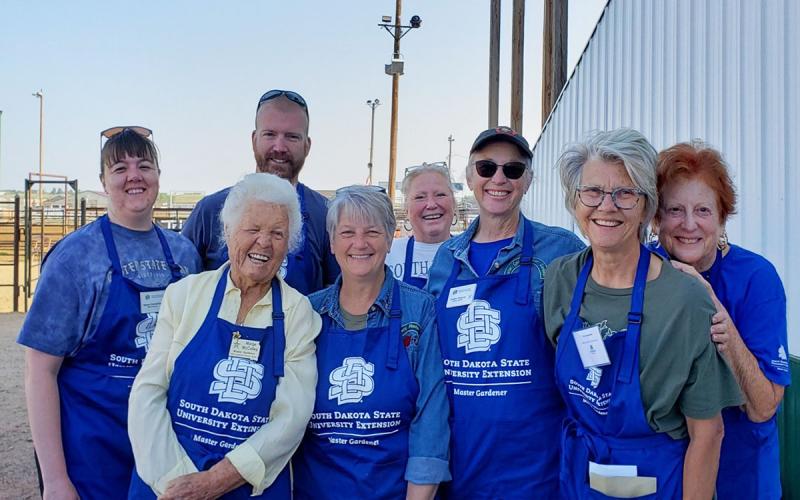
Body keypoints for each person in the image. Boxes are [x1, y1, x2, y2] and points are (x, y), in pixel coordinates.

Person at [545, 128, 743, 499]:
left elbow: (708, 433)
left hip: (657, 481)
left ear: (647, 206)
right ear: (575, 202)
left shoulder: (684, 300)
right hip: (579, 476)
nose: (606, 206)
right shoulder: (560, 278)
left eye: (625, 193)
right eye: (592, 192)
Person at [17, 127, 201, 499]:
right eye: (120, 168)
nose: (134, 175)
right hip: (92, 447)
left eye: (144, 165)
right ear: (103, 182)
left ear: (158, 177)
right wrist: (55, 480)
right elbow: (40, 369)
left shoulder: (184, 256)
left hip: (162, 447)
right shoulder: (75, 258)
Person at [128, 173, 320, 499]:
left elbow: (291, 419)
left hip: (247, 487)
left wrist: (212, 484)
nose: (264, 242)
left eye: (277, 233)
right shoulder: (184, 295)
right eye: (253, 229)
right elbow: (147, 394)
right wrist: (176, 482)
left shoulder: (298, 313)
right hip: (168, 485)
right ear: (228, 232)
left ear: (289, 244)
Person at [425, 126, 584, 498]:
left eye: (513, 170)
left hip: (535, 471)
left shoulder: (561, 252)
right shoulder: (446, 260)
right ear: (469, 176)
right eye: (486, 168)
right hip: (458, 469)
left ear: (528, 180)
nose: (499, 178)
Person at [652, 141, 790, 499]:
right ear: (655, 219)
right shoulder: (644, 272)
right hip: (666, 476)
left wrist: (713, 310)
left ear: (722, 217)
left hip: (740, 477)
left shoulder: (756, 278)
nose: (688, 224)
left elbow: (763, 408)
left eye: (702, 210)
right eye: (674, 210)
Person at [293, 185, 450, 500]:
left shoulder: (419, 311)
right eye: (348, 232)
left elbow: (430, 421)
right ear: (333, 242)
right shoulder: (306, 312)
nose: (360, 243)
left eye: (373, 232)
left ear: (390, 238)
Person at [182, 89, 339, 295]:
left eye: (292, 137)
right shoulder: (209, 211)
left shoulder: (326, 215)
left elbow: (338, 295)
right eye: (270, 134)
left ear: (307, 146)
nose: (279, 146)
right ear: (254, 139)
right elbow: (184, 288)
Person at [385, 162, 456, 288]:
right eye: (420, 197)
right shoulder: (387, 254)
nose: (431, 204)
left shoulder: (472, 252)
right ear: (406, 208)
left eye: (440, 195)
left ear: (454, 203)